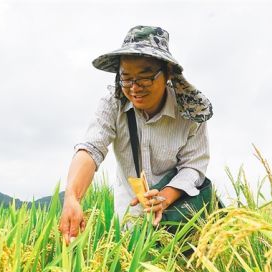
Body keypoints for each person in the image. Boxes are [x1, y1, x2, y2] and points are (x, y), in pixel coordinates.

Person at [59, 25, 214, 245]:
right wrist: (72, 197)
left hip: (179, 214)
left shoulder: (190, 111)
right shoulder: (113, 104)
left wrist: (165, 197)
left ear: (168, 73)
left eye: (145, 77)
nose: (134, 87)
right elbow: (91, 148)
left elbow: (194, 166)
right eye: (126, 78)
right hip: (130, 218)